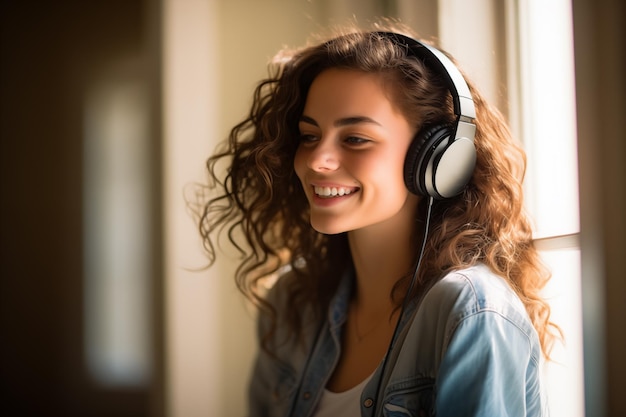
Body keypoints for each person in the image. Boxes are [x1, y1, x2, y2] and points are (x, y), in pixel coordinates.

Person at [196, 23, 560, 417]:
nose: (317, 161)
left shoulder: (471, 311)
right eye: (308, 136)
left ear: (438, 160)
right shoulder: (292, 301)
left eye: (355, 139)